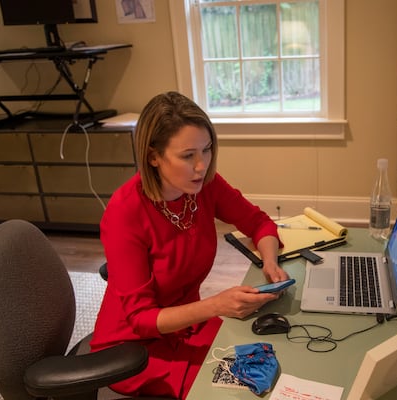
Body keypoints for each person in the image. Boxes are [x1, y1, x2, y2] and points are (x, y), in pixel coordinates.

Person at [90, 91, 289, 399]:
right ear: (153, 156)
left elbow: (259, 223)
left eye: (207, 150)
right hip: (132, 349)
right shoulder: (124, 212)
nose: (201, 165)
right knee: (236, 391)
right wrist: (217, 304)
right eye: (188, 156)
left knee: (273, 359)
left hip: (186, 324)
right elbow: (141, 320)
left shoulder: (203, 185)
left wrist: (270, 262)